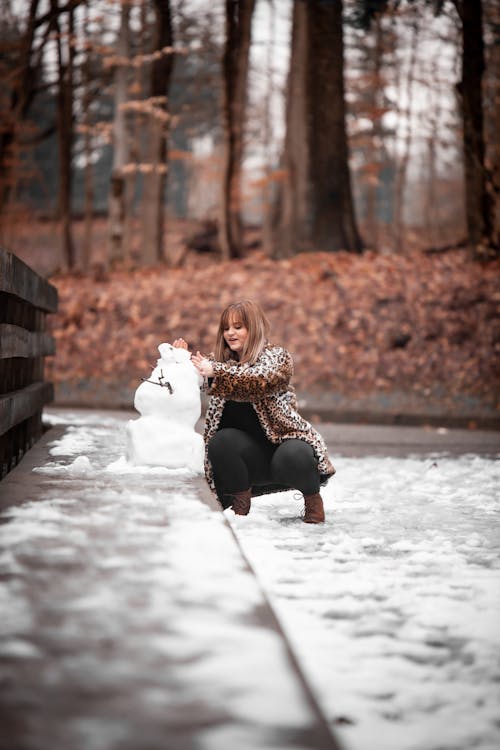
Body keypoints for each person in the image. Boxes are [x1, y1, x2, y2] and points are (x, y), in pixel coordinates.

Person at [174, 300, 335, 523]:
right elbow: (188, 381)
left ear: (253, 328)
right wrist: (178, 361)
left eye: (238, 327)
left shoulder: (277, 358)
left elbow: (257, 380)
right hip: (249, 460)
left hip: (284, 453)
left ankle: (313, 503)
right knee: (221, 441)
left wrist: (216, 372)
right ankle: (239, 508)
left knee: (294, 454)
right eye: (226, 328)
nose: (230, 333)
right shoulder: (217, 364)